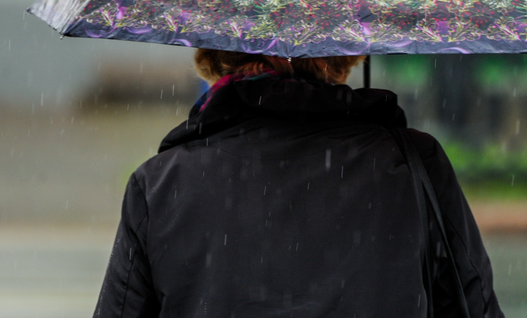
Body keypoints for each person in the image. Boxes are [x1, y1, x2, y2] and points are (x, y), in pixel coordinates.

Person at [93, 50, 504, 318]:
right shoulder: (414, 165)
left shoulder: (161, 184)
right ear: (344, 53)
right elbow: (474, 308)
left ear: (213, 52)